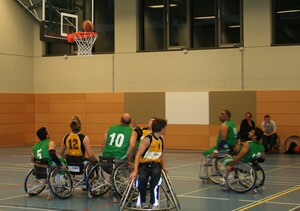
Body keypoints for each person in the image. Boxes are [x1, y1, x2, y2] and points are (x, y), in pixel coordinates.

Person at [130, 118, 168, 209]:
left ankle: (153, 202)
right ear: (161, 128)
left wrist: (164, 167)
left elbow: (161, 154)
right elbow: (138, 155)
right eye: (165, 128)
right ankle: (142, 201)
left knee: (155, 178)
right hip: (144, 165)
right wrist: (135, 170)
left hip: (155, 165)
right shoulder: (147, 140)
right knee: (142, 180)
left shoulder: (161, 139)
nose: (165, 130)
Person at [200, 110, 237, 180]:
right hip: (231, 147)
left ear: (227, 116)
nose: (219, 115)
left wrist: (216, 151)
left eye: (222, 114)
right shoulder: (233, 124)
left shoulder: (225, 125)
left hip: (225, 147)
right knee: (213, 152)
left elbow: (223, 140)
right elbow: (237, 137)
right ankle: (216, 170)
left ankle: (207, 173)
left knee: (206, 153)